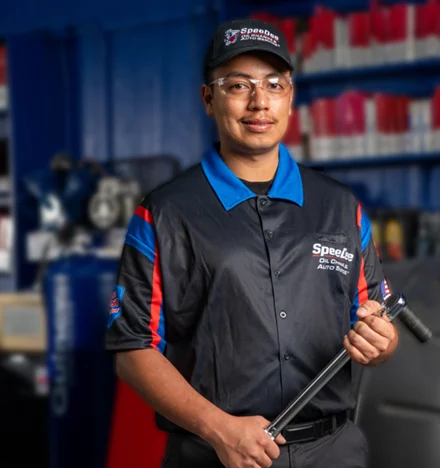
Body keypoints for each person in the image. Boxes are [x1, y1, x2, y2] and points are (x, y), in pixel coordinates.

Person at [105, 18, 399, 468]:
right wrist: (219, 429)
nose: (259, 102)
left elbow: (377, 314)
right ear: (209, 98)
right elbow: (132, 348)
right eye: (238, 85)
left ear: (290, 97)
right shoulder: (166, 212)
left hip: (333, 452)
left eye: (274, 85)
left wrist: (382, 341)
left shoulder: (340, 206)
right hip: (215, 454)